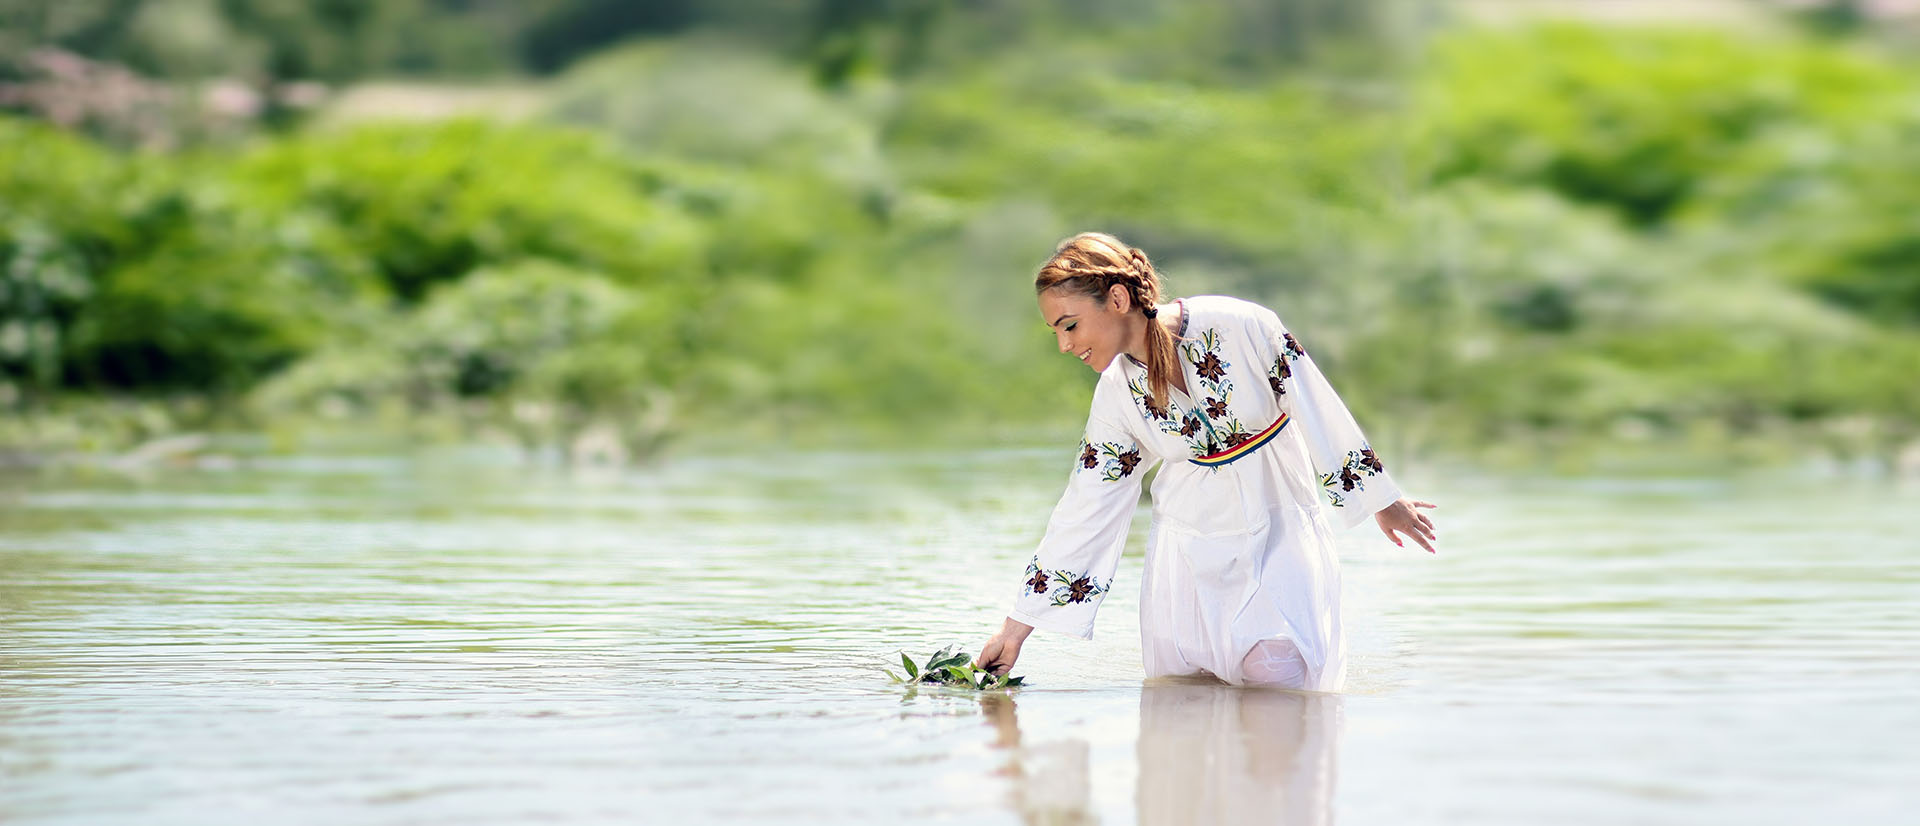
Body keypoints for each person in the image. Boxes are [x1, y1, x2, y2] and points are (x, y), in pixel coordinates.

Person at [973, 232, 1438, 691]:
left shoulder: (1240, 325)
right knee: (1185, 714)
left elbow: (1314, 402)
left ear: (1117, 298)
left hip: (1279, 534)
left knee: (1277, 681)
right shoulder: (1117, 394)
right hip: (1187, 562)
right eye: (1055, 331)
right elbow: (1086, 508)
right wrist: (1014, 632)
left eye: (1069, 325)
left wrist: (1382, 498)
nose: (1064, 345)